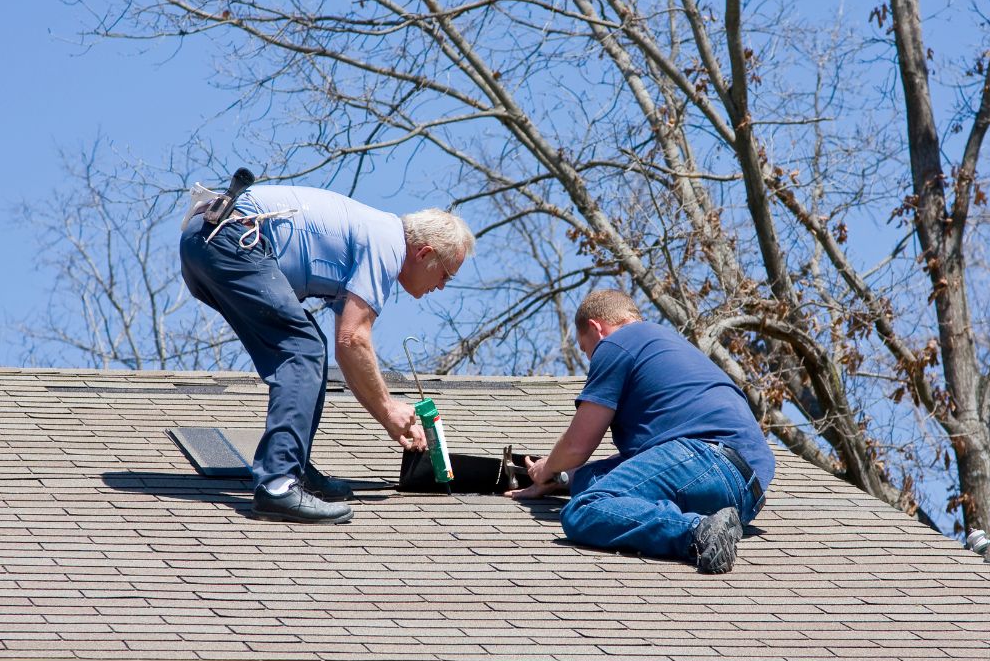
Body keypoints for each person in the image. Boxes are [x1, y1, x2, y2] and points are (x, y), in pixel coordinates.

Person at [180, 182, 474, 524]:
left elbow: (346, 351)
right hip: (232, 238)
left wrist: (387, 416)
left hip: (206, 241)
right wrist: (389, 408)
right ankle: (278, 485)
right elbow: (354, 339)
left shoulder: (370, 236)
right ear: (424, 254)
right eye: (446, 275)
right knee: (303, 350)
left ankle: (295, 469)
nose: (440, 286)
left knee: (309, 349)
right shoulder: (388, 243)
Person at [508, 290, 774, 573]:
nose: (592, 360)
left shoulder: (617, 343)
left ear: (597, 328)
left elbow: (577, 446)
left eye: (587, 350)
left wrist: (547, 467)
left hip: (705, 457)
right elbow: (639, 467)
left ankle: (697, 531)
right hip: (745, 494)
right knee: (593, 486)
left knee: (584, 509)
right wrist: (563, 479)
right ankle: (713, 525)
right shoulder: (666, 347)